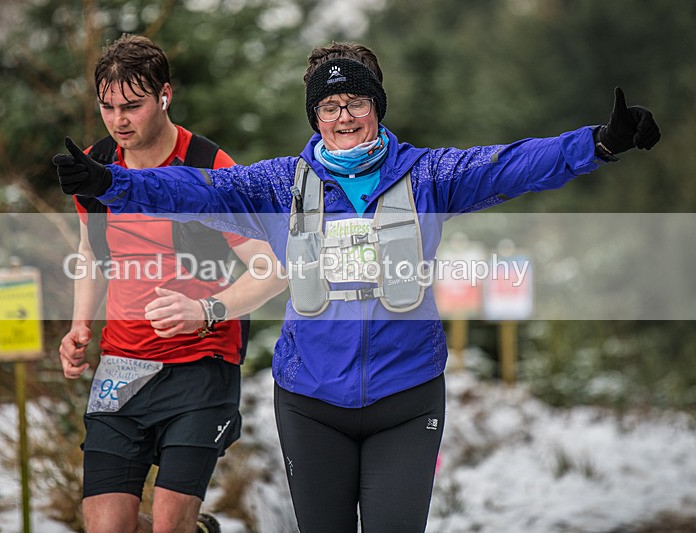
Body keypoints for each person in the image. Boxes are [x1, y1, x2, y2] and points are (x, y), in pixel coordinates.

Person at [53, 41, 660, 532]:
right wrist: (108, 183)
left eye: (356, 102)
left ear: (377, 107)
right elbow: (192, 191)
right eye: (330, 106)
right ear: (315, 116)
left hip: (406, 394)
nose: (344, 117)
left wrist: (598, 144)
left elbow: (508, 164)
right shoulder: (282, 185)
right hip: (311, 401)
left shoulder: (426, 177)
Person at [57, 34, 285, 533]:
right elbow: (91, 252)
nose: (119, 121)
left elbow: (273, 268)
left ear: (165, 96)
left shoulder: (209, 169)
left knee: (169, 525)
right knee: (106, 527)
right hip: (122, 364)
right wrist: (79, 328)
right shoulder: (95, 167)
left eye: (133, 107)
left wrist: (204, 311)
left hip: (200, 368)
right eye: (107, 106)